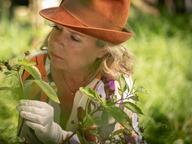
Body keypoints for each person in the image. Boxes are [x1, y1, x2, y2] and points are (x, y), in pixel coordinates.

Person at [16, 0, 144, 143]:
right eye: (57, 28)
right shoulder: (34, 69)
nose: (57, 41)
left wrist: (57, 136)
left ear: (103, 50)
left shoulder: (112, 90)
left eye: (74, 38)